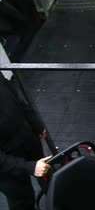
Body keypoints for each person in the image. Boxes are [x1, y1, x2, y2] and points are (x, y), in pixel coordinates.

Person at [0, 73, 51, 210]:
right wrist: (30, 167)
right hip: (7, 169)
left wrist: (36, 124)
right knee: (22, 200)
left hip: (28, 142)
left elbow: (18, 100)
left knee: (49, 179)